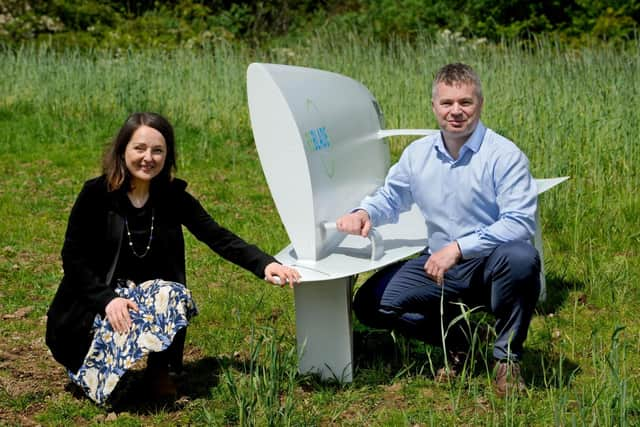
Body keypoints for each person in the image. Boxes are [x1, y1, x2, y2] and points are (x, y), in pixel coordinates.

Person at [45, 112, 300, 405]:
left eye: (157, 150)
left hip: (142, 299)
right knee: (111, 395)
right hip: (96, 303)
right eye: (139, 148)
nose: (148, 157)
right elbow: (73, 258)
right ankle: (91, 368)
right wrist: (106, 300)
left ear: (168, 155)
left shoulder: (172, 197)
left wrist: (265, 263)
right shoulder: (95, 195)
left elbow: (217, 236)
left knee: (172, 294)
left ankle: (158, 370)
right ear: (123, 150)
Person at [336, 63, 540, 396]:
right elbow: (393, 196)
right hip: (438, 265)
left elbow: (519, 222)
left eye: (465, 102)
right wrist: (365, 212)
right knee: (371, 305)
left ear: (480, 104)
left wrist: (459, 248)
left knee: (521, 257)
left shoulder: (505, 156)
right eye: (447, 103)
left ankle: (506, 359)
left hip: (490, 266)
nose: (456, 111)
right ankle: (460, 340)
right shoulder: (418, 154)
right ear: (434, 107)